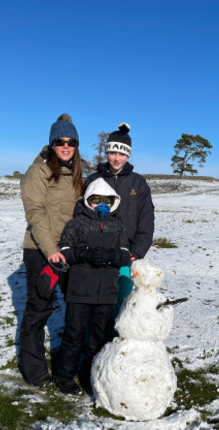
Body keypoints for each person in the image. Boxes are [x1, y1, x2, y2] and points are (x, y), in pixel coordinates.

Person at [48, 177, 131, 394]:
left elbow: (125, 255)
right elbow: (64, 252)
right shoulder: (75, 224)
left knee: (99, 337)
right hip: (79, 290)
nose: (101, 203)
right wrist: (85, 253)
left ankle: (91, 373)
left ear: (114, 202)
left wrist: (110, 256)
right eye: (96, 199)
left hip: (106, 292)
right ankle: (64, 375)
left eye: (107, 199)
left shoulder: (118, 226)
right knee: (73, 335)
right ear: (87, 200)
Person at [18, 113, 83, 387]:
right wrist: (51, 250)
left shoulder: (79, 173)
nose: (66, 146)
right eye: (60, 141)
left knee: (76, 304)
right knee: (39, 307)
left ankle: (68, 362)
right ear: (52, 144)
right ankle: (33, 370)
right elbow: (36, 212)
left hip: (69, 250)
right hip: (40, 250)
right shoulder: (38, 171)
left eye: (71, 141)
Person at [83, 123, 155, 329]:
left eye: (121, 154)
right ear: (107, 152)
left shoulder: (138, 183)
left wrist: (137, 251)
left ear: (128, 156)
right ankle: (91, 349)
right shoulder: (93, 179)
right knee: (94, 302)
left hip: (125, 255)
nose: (116, 158)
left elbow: (146, 220)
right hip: (95, 253)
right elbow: (81, 214)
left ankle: (116, 348)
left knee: (120, 302)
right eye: (112, 152)